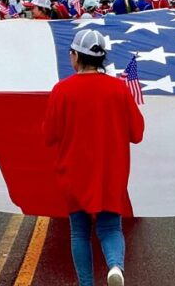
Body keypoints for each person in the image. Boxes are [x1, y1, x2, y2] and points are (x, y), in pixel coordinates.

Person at [43, 29, 144, 286]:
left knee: (79, 232)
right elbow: (137, 133)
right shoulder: (119, 89)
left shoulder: (62, 90)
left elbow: (50, 135)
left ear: (76, 55)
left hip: (74, 171)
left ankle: (86, 283)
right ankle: (115, 266)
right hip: (111, 171)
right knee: (111, 228)